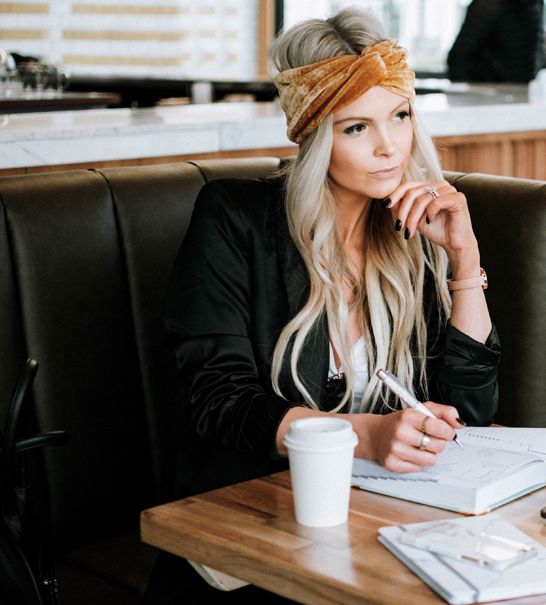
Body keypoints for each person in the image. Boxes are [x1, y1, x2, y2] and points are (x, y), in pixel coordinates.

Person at [142, 8, 500, 603]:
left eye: (401, 115)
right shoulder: (234, 220)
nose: (390, 147)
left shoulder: (413, 233)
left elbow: (467, 413)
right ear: (314, 134)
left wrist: (464, 262)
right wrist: (366, 435)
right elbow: (220, 403)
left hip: (377, 532)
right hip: (251, 539)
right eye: (356, 127)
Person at [447, 0, 546, 83]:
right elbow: (458, 57)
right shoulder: (489, 5)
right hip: (490, 96)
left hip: (522, 92)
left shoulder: (536, 4)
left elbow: (538, 49)